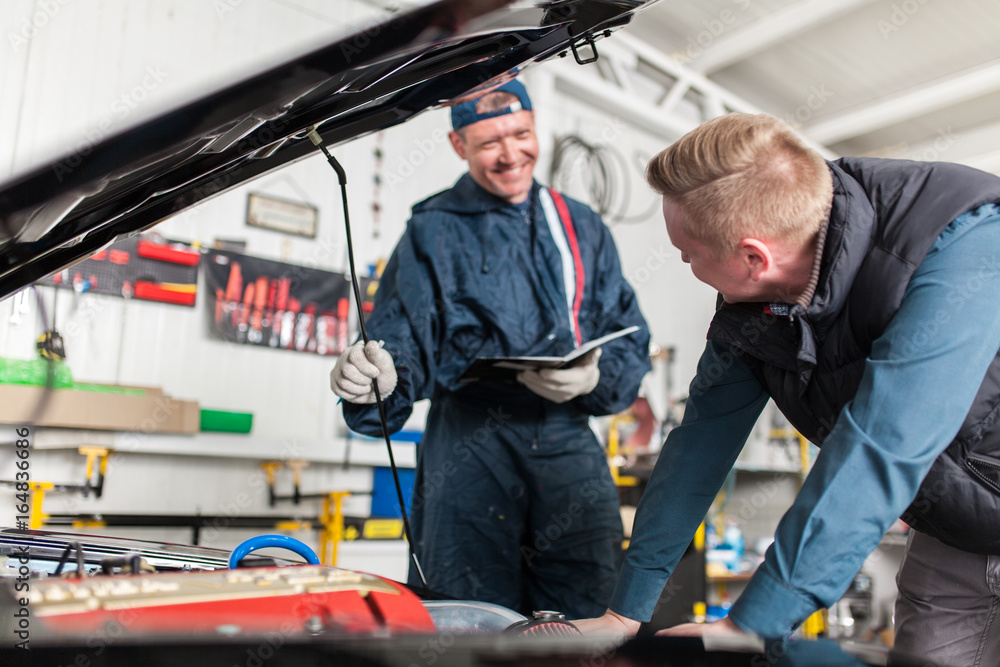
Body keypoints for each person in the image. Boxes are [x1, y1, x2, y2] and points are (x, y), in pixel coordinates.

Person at [575, 113, 1000, 666]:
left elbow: (882, 445)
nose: (686, 264)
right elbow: (699, 445)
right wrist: (625, 614)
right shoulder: (754, 306)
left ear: (754, 257)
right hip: (956, 531)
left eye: (689, 254)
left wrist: (749, 625)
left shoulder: (965, 244)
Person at [329, 78, 651, 619]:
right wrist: (376, 379)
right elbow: (400, 346)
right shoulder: (432, 231)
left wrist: (595, 378)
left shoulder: (582, 227)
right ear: (459, 146)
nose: (511, 155)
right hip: (469, 451)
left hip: (567, 440)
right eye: (489, 144)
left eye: (521, 134)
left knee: (591, 614)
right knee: (468, 615)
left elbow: (629, 333)